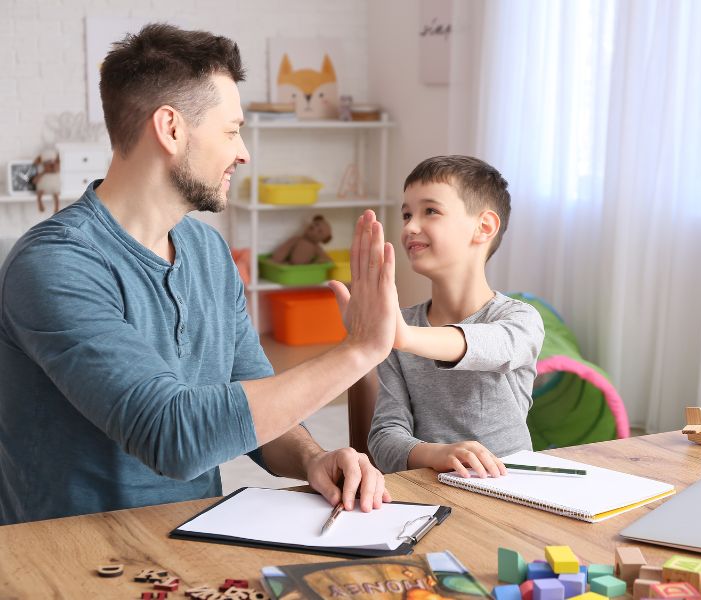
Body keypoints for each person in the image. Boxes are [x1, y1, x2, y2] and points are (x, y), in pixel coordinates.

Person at [0, 23, 398, 525]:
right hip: (71, 559)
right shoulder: (55, 264)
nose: (243, 151)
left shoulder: (208, 250)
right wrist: (359, 349)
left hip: (188, 541)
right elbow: (173, 438)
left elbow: (254, 394)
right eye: (231, 130)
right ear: (170, 129)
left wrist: (311, 459)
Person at [367, 156, 545, 477]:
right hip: (427, 487)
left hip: (511, 490)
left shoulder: (521, 319)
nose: (409, 226)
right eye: (406, 214)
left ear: (484, 227)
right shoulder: (401, 330)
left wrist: (404, 337)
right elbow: (383, 440)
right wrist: (437, 454)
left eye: (430, 211)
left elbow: (493, 347)